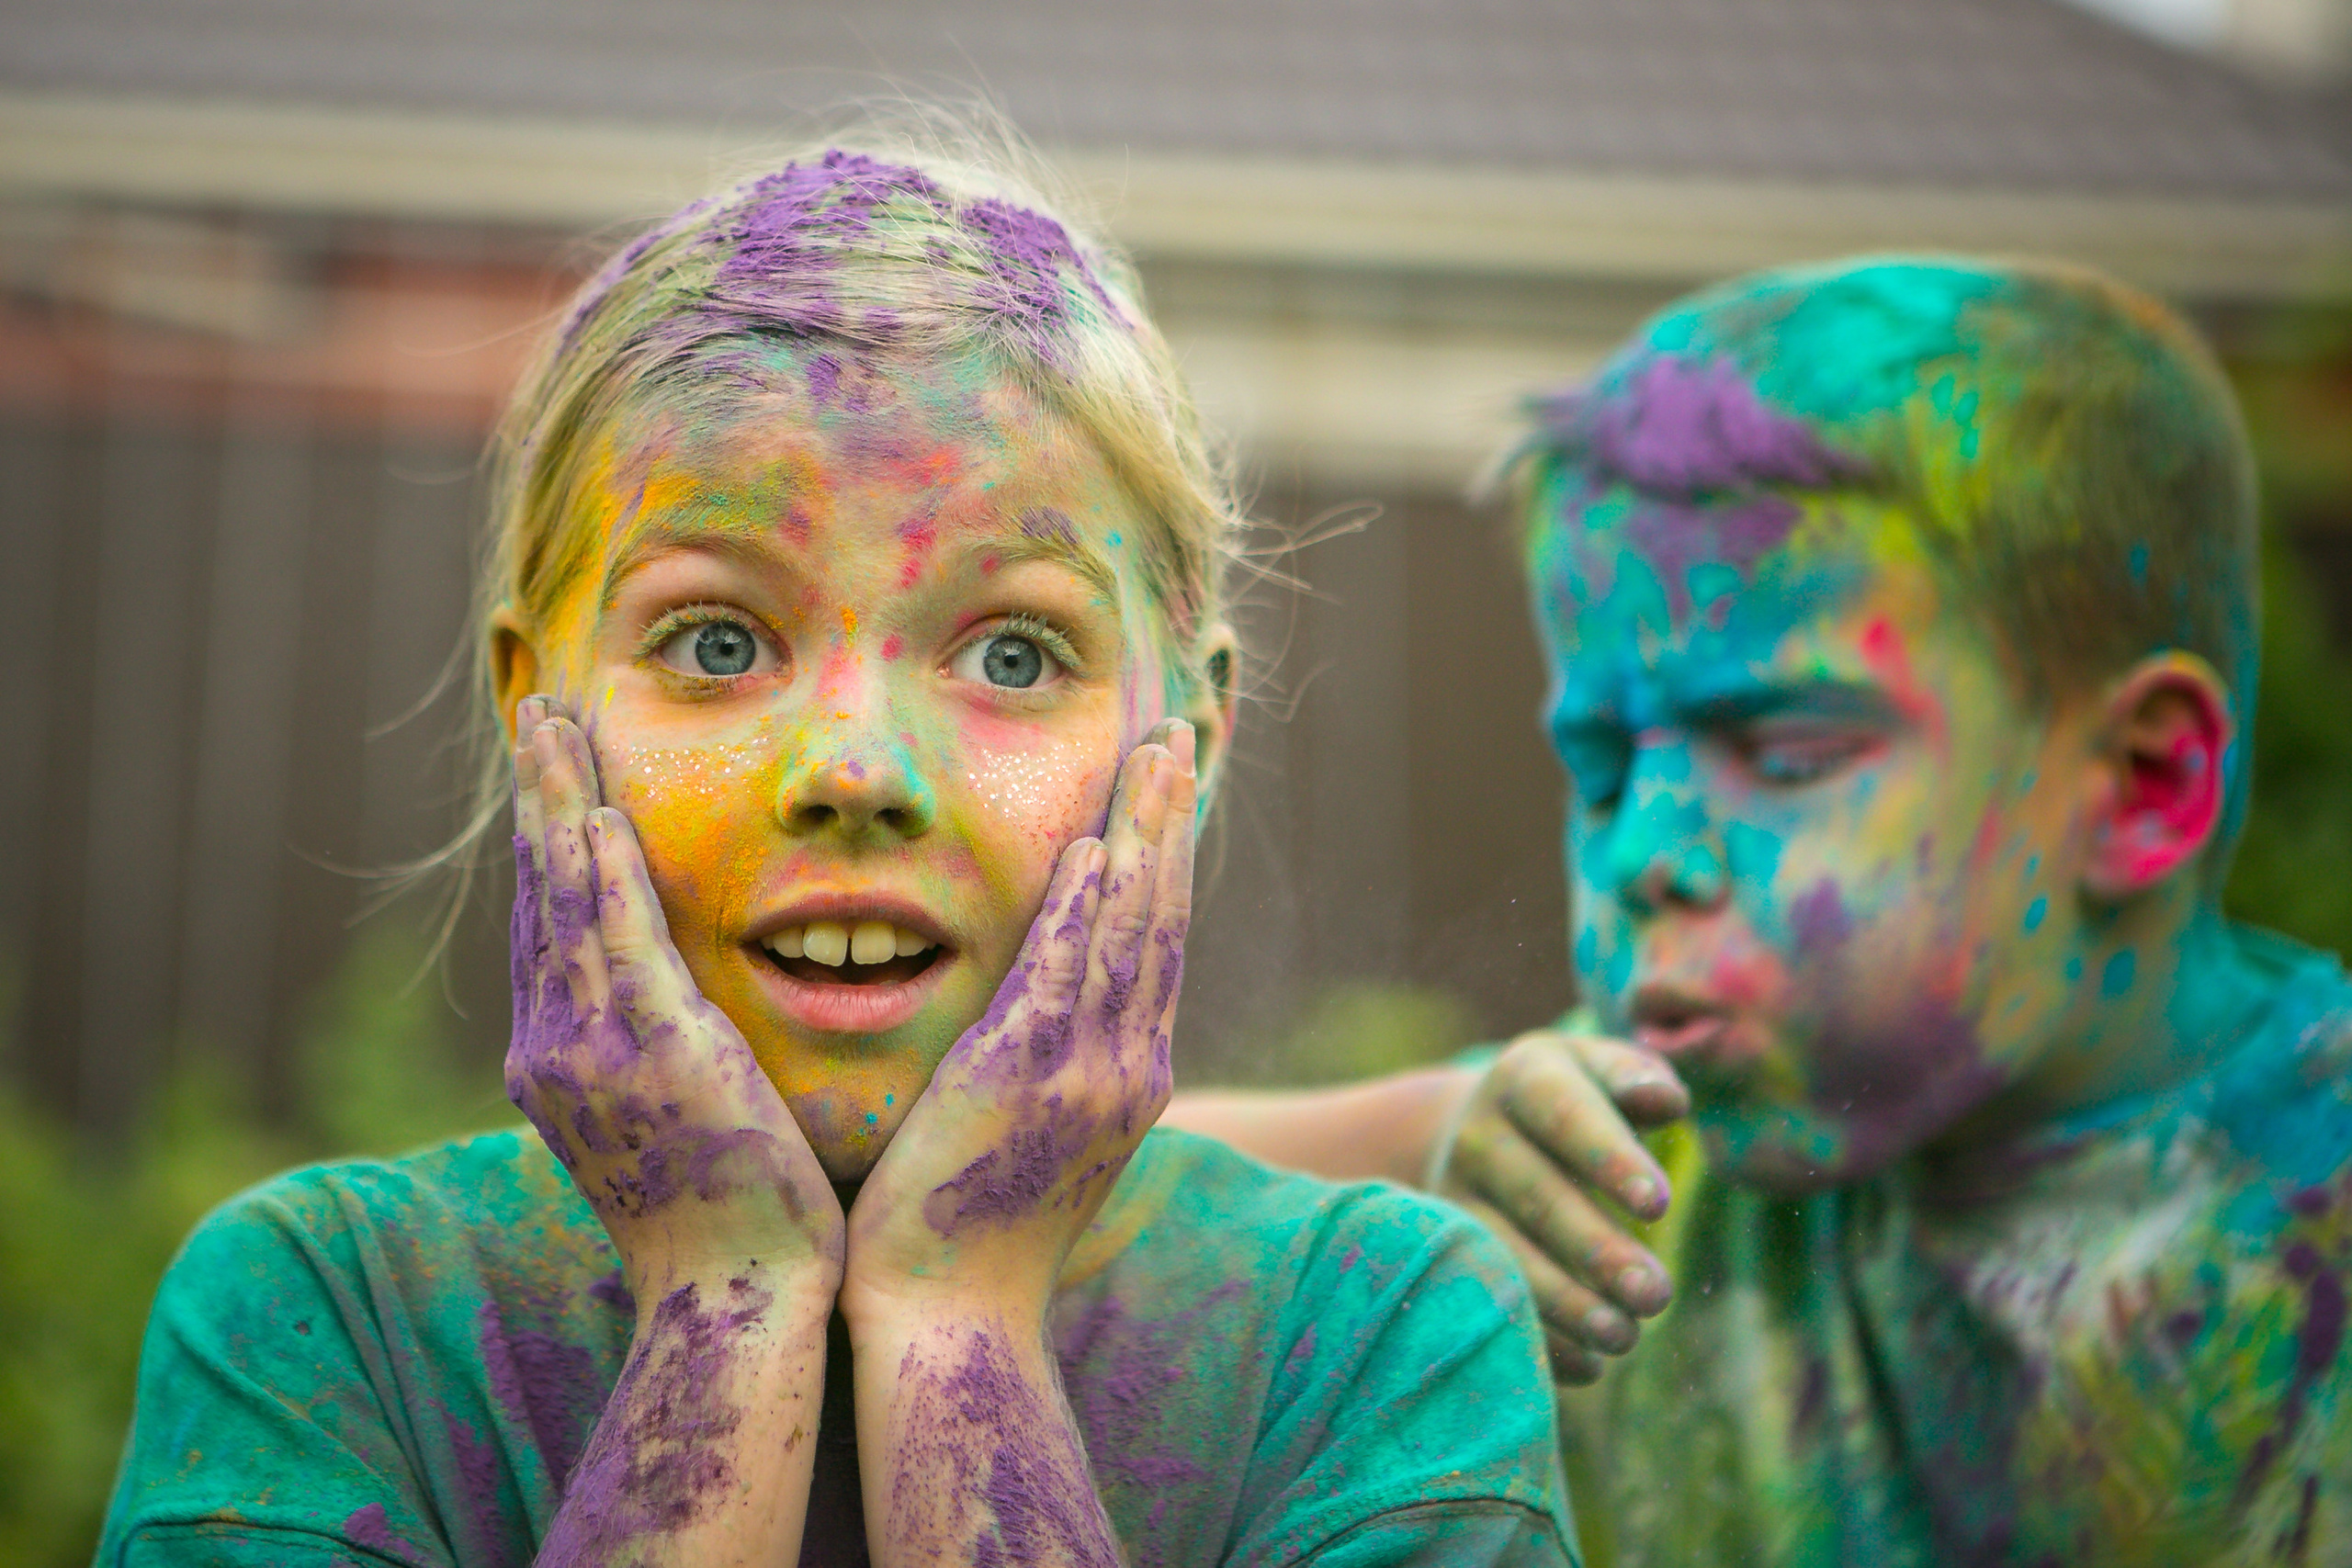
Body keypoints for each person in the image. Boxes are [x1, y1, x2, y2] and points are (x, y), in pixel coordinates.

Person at [97, 135, 1577, 1568]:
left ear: (1189, 737)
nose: (855, 772)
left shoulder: (1385, 1342)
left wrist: (961, 1325)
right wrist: (722, 1313)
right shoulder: (322, 1326)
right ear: (529, 704)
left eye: (1012, 653)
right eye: (719, 641)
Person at [1165, 256, 2352, 1565]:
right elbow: (1086, 1177)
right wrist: (1433, 1129)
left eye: (1786, 753)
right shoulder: (1629, 1167)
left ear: (2141, 784)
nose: (1648, 857)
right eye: (1608, 771)